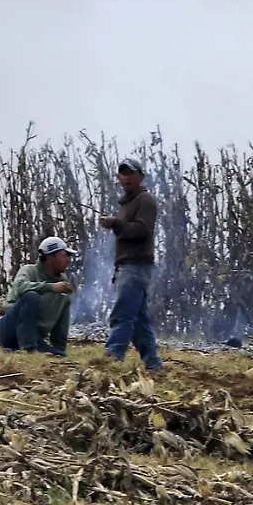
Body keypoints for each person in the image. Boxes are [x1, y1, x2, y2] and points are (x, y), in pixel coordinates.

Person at [97, 157, 164, 372]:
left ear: (141, 177)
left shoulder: (145, 201)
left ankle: (113, 357)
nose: (126, 177)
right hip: (130, 267)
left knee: (123, 314)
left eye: (131, 173)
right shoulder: (128, 202)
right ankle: (153, 365)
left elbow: (143, 230)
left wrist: (117, 224)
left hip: (135, 266)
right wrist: (117, 224)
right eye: (123, 173)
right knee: (139, 322)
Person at [0, 236, 76, 355]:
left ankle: (31, 348)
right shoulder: (29, 270)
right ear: (49, 258)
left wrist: (59, 350)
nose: (68, 260)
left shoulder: (63, 285)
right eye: (64, 256)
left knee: (59, 355)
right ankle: (29, 349)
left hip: (35, 337)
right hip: (9, 330)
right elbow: (20, 288)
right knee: (31, 296)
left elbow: (61, 325)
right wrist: (51, 287)